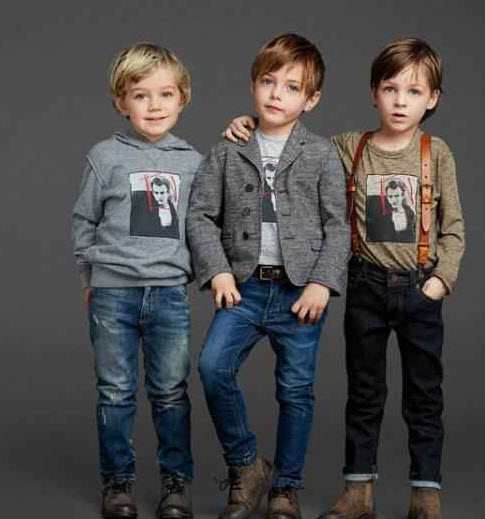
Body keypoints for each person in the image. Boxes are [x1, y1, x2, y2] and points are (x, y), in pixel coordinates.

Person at [223, 37, 465, 519]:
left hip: (419, 289)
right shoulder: (348, 147)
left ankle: (425, 494)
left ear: (433, 99)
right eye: (390, 89)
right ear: (374, 93)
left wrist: (440, 281)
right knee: (364, 393)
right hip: (366, 289)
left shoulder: (435, 152)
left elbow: (453, 227)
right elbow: (289, 141)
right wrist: (249, 124)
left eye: (414, 92)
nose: (400, 101)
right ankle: (358, 492)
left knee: (424, 396)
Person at [187, 33, 349, 519]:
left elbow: (339, 225)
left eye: (292, 87)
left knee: (295, 389)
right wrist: (218, 272)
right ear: (254, 84)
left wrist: (322, 282)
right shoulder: (228, 148)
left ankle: (287, 487)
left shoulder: (321, 154)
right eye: (268, 81)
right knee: (213, 367)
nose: (277, 94)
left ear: (311, 99)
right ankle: (247, 464)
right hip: (245, 287)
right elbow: (200, 215)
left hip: (300, 291)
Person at [72, 43, 202, 519]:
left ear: (183, 97)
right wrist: (90, 277)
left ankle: (175, 482)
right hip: (112, 292)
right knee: (115, 391)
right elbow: (85, 220)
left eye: (165, 94)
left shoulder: (193, 162)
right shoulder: (104, 156)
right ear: (121, 102)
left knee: (171, 391)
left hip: (169, 293)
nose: (154, 105)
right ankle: (118, 482)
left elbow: (202, 226)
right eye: (140, 95)